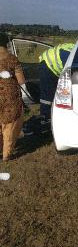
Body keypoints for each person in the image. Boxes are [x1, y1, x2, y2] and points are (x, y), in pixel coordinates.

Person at [23, 43, 74, 135]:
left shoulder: (77, 50)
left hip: (53, 63)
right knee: (47, 97)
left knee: (63, 94)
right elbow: (70, 73)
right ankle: (46, 120)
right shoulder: (71, 55)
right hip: (47, 65)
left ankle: (57, 116)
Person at [0, 32, 26, 161]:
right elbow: (21, 80)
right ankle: (6, 154)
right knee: (10, 125)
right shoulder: (12, 59)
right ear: (6, 43)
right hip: (10, 97)